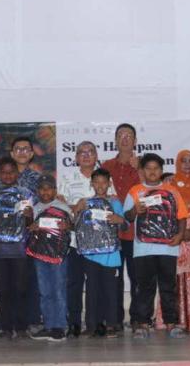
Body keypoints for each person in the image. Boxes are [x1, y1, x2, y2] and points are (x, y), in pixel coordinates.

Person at [124, 153, 187, 339]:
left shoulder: (172, 191)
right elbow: (127, 217)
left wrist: (180, 235)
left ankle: (171, 324)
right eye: (148, 168)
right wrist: (135, 210)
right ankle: (143, 324)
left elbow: (182, 216)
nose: (152, 172)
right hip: (143, 249)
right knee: (145, 288)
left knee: (168, 287)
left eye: (156, 168)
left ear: (161, 170)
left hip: (168, 248)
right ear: (142, 171)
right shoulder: (135, 191)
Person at [58, 141, 116, 337]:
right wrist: (77, 207)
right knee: (74, 283)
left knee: (96, 284)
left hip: (99, 244)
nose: (86, 155)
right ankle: (74, 323)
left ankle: (97, 322)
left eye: (90, 151)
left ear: (96, 155)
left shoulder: (105, 177)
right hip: (75, 241)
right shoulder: (67, 178)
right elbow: (61, 207)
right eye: (81, 152)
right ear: (76, 157)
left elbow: (112, 202)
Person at [154, 150, 190, 333]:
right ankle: (172, 320)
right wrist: (181, 233)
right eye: (183, 161)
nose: (187, 164)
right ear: (177, 163)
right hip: (175, 235)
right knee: (172, 278)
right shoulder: (169, 185)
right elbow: (163, 212)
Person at [0, 157, 34, 340]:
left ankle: (21, 326)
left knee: (21, 288)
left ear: (16, 173)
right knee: (2, 289)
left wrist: (29, 215)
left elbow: (30, 223)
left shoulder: (25, 193)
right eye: (4, 172)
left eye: (11, 172)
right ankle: (6, 327)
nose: (7, 175)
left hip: (20, 249)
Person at [75, 168, 127, 338]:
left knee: (111, 291)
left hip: (111, 255)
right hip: (90, 255)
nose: (100, 185)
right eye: (96, 182)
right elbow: (75, 224)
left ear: (109, 184)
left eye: (103, 182)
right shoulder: (85, 202)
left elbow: (125, 225)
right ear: (91, 184)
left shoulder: (115, 203)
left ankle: (111, 324)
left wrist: (119, 220)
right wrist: (77, 209)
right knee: (91, 291)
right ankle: (91, 325)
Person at [101, 123, 141, 329]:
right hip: (112, 232)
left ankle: (138, 319)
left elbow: (152, 190)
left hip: (137, 233)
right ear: (115, 141)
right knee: (113, 279)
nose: (125, 138)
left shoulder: (144, 165)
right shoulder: (106, 166)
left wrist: (139, 169)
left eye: (129, 135)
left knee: (137, 278)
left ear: (135, 141)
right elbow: (99, 192)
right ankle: (114, 319)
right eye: (121, 135)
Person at [29, 175, 72, 342]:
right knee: (44, 291)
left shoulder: (63, 207)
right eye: (41, 188)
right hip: (40, 255)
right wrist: (32, 227)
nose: (45, 192)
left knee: (58, 290)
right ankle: (48, 325)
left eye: (49, 188)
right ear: (37, 191)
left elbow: (72, 226)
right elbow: (28, 229)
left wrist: (67, 226)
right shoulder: (35, 208)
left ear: (55, 190)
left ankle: (59, 327)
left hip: (58, 255)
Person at [10, 136, 44, 329]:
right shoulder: (3, 177)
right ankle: (13, 318)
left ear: (31, 154)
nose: (22, 152)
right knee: (11, 278)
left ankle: (32, 317)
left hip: (31, 233)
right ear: (12, 153)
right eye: (18, 148)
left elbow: (43, 204)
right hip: (8, 235)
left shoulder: (38, 179)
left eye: (26, 149)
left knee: (31, 276)